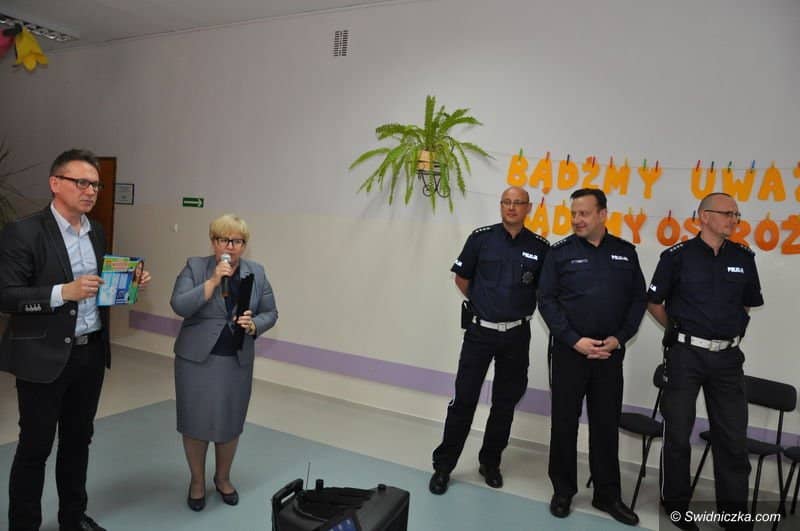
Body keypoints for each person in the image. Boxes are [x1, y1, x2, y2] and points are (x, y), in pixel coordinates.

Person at [0, 149, 151, 531]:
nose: (91, 191)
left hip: (90, 353)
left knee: (78, 442)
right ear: (55, 183)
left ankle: (72, 518)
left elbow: (97, 288)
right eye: (81, 182)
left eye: (96, 185)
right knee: (35, 448)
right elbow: (7, 296)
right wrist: (61, 292)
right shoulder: (24, 231)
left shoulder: (95, 231)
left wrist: (126, 282)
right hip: (42, 357)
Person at [648, 192, 763, 531]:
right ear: (705, 217)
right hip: (686, 356)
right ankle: (677, 506)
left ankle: (734, 514)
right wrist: (678, 332)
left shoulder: (743, 257)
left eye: (736, 215)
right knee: (678, 433)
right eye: (728, 213)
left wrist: (731, 331)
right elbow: (654, 302)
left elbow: (747, 304)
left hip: (728, 358)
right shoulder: (677, 256)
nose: (733, 220)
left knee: (733, 437)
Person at [429, 186, 550, 495]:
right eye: (506, 202)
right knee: (463, 400)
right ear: (501, 205)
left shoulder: (540, 247)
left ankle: (490, 462)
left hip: (517, 335)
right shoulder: (481, 238)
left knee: (504, 403)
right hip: (480, 333)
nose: (511, 207)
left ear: (528, 208)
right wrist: (483, 304)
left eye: (518, 203)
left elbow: (544, 290)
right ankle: (444, 467)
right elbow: (461, 278)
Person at [537, 188, 645, 526]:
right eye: (573, 214)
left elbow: (638, 300)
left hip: (609, 355)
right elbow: (546, 300)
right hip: (570, 353)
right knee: (564, 424)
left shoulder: (625, 253)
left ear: (602, 214)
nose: (577, 220)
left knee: (605, 425)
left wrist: (619, 338)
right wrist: (574, 340)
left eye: (583, 213)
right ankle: (563, 490)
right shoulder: (560, 253)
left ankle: (607, 494)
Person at [170, 214, 278, 511]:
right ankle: (196, 481)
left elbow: (270, 312)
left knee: (230, 422)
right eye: (223, 240)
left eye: (237, 241)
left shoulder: (257, 272)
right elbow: (179, 304)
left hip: (236, 361)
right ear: (213, 242)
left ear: (244, 245)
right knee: (195, 423)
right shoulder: (195, 267)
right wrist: (213, 281)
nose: (230, 246)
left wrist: (254, 324)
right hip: (196, 361)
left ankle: (223, 478)